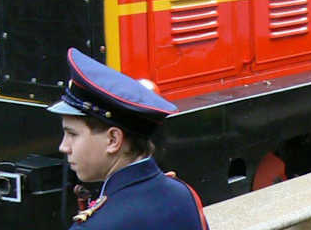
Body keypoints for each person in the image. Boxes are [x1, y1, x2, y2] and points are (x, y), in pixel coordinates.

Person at [48, 48, 208, 230]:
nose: (64, 147)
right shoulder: (183, 194)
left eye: (72, 134)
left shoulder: (94, 226)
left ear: (113, 140)